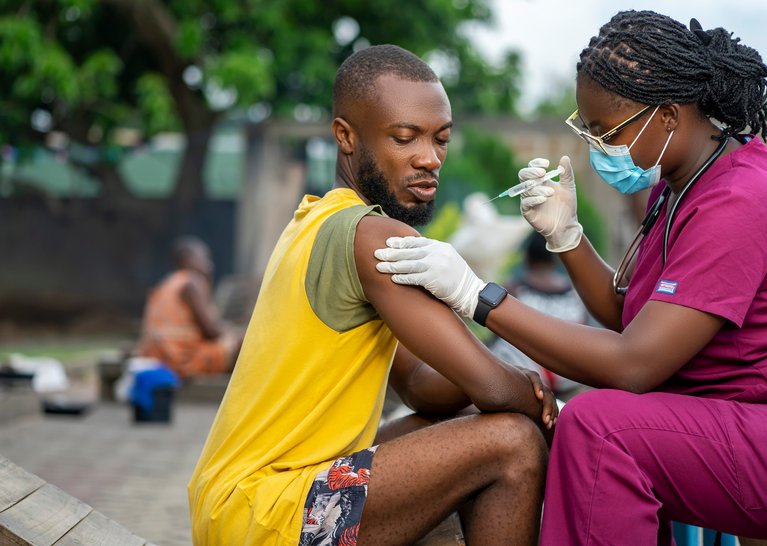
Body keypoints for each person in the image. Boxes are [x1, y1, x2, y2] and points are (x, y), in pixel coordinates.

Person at [374, 10, 767, 544]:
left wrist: (478, 295)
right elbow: (631, 314)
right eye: (587, 131)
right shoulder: (681, 184)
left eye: (605, 131)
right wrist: (568, 237)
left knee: (602, 428)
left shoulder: (738, 202)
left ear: (668, 117)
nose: (596, 147)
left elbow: (635, 363)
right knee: (598, 425)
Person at [188, 44, 556, 546]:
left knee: (470, 422)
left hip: (231, 506)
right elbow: (495, 389)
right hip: (272, 516)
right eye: (405, 138)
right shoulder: (375, 236)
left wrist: (500, 381)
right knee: (512, 443)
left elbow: (424, 387)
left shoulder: (316, 218)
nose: (429, 159)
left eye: (441, 139)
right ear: (346, 136)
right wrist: (532, 394)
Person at [489, 231, 588, 398]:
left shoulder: (514, 289)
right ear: (553, 258)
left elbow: (495, 331)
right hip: (570, 380)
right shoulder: (575, 295)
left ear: (526, 257)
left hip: (525, 378)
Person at [135, 236, 241, 380]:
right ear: (186, 260)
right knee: (242, 342)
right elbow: (211, 331)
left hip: (157, 358)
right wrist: (233, 332)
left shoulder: (167, 283)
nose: (209, 263)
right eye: (203, 257)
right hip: (180, 361)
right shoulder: (191, 282)